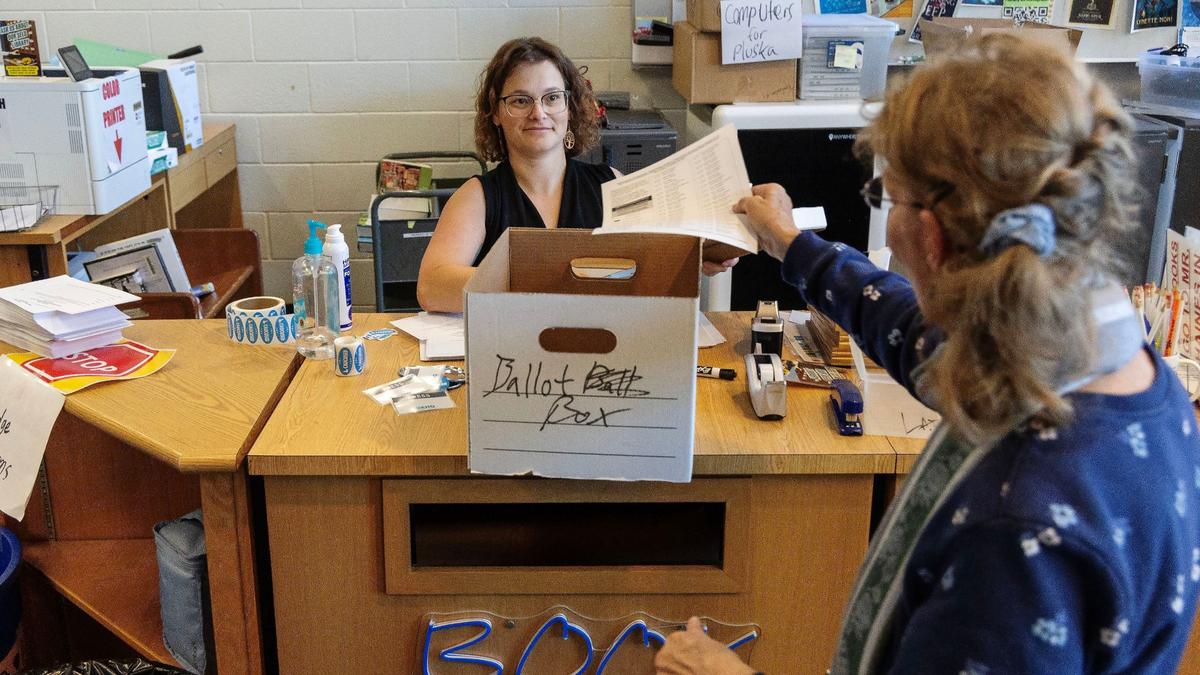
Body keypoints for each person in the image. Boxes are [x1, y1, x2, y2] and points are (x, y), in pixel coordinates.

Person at [656, 34, 1200, 674]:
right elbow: (910, 331)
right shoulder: (1111, 365)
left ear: (933, 235)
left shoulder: (1011, 532)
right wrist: (790, 244)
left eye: (887, 196)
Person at [417, 37, 735, 313]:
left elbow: (660, 261)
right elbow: (431, 287)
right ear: (497, 113)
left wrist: (702, 254)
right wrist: (549, 280)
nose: (538, 112)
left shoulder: (611, 184)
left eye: (552, 97)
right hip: (514, 359)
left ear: (570, 108)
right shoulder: (479, 197)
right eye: (520, 100)